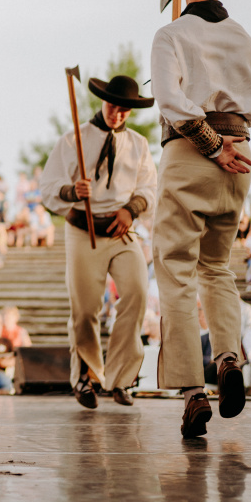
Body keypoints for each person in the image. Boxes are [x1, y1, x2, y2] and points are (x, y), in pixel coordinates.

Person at [149, 0, 251, 438]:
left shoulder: (170, 35)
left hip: (194, 151)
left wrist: (211, 145)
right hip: (241, 153)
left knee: (175, 270)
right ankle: (230, 359)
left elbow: (170, 101)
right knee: (217, 266)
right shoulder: (243, 36)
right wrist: (230, 147)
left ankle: (194, 391)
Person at [41, 75, 157, 408]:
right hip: (83, 230)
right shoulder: (74, 138)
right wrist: (71, 190)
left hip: (121, 231)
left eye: (124, 110)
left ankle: (121, 378)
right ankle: (87, 377)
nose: (117, 114)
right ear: (102, 102)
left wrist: (131, 209)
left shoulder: (138, 144)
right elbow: (49, 186)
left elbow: (149, 187)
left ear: (131, 112)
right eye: (113, 106)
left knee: (136, 292)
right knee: (85, 309)